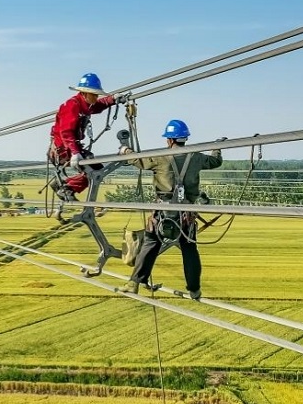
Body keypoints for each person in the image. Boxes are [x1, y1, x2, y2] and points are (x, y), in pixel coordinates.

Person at [118, 119, 223, 299]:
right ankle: (194, 289)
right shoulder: (196, 157)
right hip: (186, 214)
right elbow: (215, 161)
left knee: (151, 244)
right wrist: (217, 146)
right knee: (189, 249)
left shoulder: (160, 157)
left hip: (162, 212)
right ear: (184, 139)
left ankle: (134, 282)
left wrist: (124, 150)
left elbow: (138, 160)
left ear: (169, 140)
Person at [48, 73, 125, 201]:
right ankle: (66, 188)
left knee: (95, 169)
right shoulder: (72, 105)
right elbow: (66, 132)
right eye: (94, 94)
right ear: (85, 93)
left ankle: (64, 186)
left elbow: (98, 106)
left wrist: (112, 99)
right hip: (63, 149)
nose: (96, 97)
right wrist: (74, 152)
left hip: (68, 146)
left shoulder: (84, 104)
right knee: (96, 170)